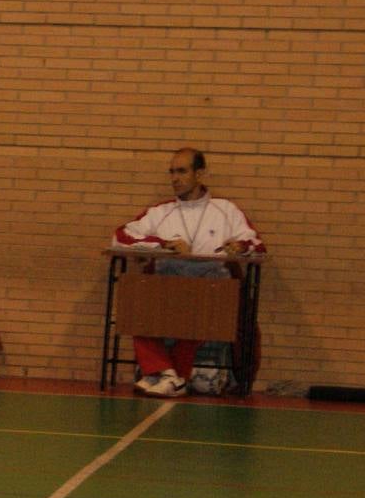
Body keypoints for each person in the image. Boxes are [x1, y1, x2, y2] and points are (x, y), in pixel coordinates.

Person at [111, 148, 265, 397]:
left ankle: (163, 374)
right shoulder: (160, 212)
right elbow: (120, 237)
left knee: (200, 315)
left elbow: (257, 244)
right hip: (167, 291)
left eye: (182, 171)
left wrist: (240, 246)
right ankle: (169, 375)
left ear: (199, 174)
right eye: (172, 172)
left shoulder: (226, 210)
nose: (175, 178)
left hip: (210, 294)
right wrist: (163, 245)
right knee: (136, 305)